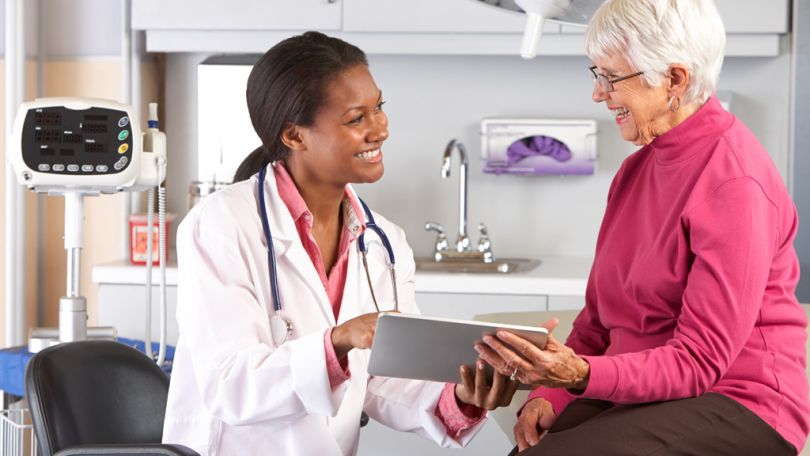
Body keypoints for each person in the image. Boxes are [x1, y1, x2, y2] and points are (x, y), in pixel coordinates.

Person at [475, 0, 810, 454]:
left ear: (674, 79)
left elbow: (698, 363)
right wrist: (549, 393)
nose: (598, 93)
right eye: (597, 75)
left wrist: (579, 375)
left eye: (611, 77)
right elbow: (595, 322)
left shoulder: (735, 182)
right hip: (644, 390)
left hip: (740, 400)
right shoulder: (634, 172)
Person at [162, 31, 518, 455]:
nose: (380, 129)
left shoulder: (383, 244)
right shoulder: (221, 225)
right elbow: (230, 384)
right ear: (295, 136)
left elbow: (385, 381)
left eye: (379, 107)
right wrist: (339, 342)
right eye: (356, 118)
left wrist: (462, 398)